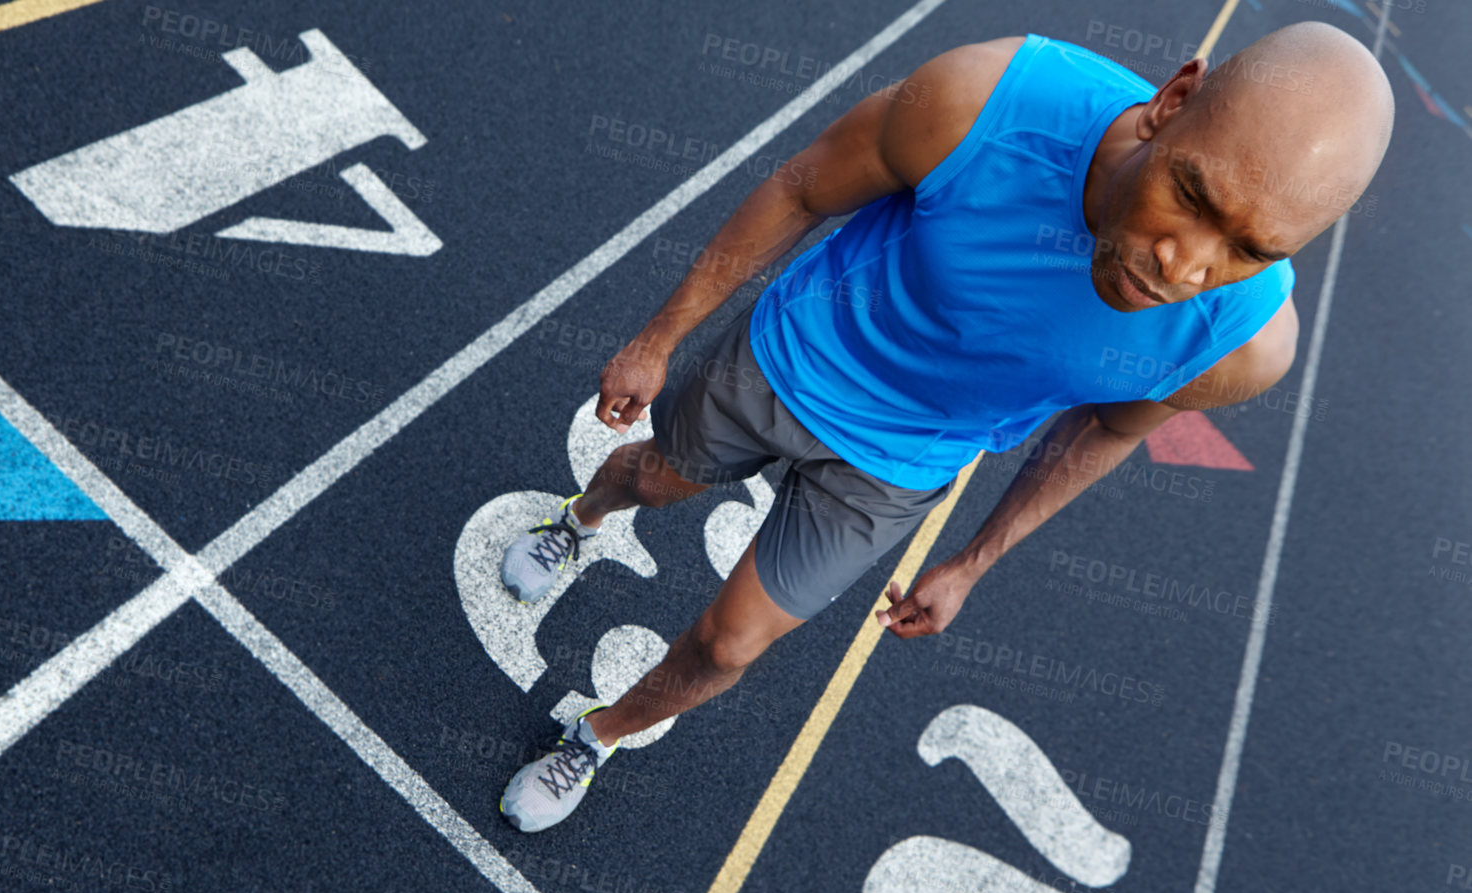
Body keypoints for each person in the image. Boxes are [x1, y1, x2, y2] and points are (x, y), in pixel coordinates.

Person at [498, 23, 1393, 833]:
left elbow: (1106, 433)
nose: (1186, 264)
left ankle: (599, 734)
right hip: (799, 355)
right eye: (1191, 196)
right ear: (1174, 101)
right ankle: (577, 523)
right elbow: (807, 188)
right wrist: (659, 339)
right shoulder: (981, 101)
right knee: (650, 478)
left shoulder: (1239, 348)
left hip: (901, 463)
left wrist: (975, 560)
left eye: (1252, 250)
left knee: (732, 643)